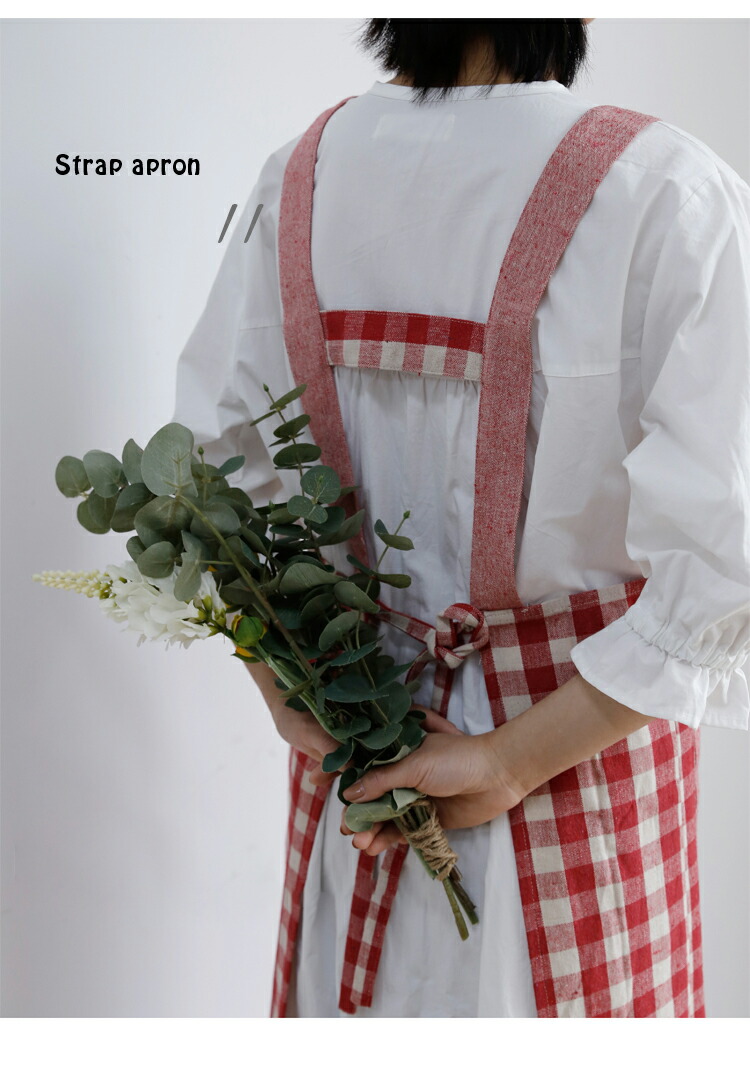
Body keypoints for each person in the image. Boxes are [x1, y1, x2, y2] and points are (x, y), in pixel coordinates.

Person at [170, 19, 750, 1017]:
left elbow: (211, 487)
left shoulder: (298, 177)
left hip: (359, 776)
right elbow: (728, 559)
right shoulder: (666, 190)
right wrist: (505, 760)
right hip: (576, 793)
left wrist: (290, 691)